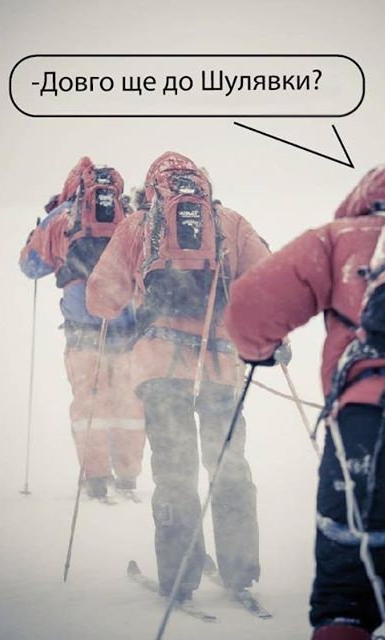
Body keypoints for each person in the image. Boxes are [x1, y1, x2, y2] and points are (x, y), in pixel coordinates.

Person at [225, 156, 385, 640]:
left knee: (347, 597)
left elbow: (250, 305)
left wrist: (258, 352)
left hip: (365, 429)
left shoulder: (340, 237)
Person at [86, 151, 270, 601]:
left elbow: (101, 298)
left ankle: (179, 576)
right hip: (220, 367)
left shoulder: (138, 226)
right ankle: (241, 570)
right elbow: (267, 282)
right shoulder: (230, 223)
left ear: (153, 188)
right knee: (228, 465)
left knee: (175, 470)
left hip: (160, 368)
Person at [19, 157, 146, 501]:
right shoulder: (130, 215)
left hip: (81, 329)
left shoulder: (62, 217)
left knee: (90, 401)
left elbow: (31, 267)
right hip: (127, 327)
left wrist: (37, 235)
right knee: (128, 403)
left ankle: (95, 479)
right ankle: (127, 477)